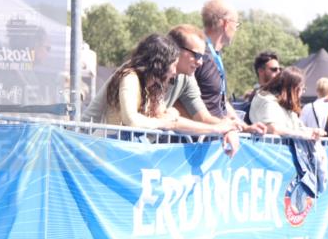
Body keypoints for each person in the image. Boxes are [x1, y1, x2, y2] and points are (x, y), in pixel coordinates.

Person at [85, 30, 242, 154]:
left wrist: (220, 128)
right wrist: (164, 122)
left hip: (127, 152)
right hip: (108, 151)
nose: (174, 71)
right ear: (160, 65)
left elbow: (170, 120)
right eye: (172, 65)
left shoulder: (154, 87)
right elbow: (132, 120)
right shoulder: (130, 77)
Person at [196, 0, 242, 120]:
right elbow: (184, 99)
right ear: (226, 24)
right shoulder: (198, 54)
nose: (236, 30)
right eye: (236, 25)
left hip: (215, 133)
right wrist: (218, 126)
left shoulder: (214, 54)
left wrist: (244, 126)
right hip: (199, 136)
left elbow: (220, 100)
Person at [249, 67, 324, 140]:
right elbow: (273, 129)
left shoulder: (284, 104)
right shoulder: (268, 100)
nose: (302, 93)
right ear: (294, 89)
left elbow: (297, 128)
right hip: (267, 150)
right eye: (303, 89)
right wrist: (305, 135)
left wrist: (312, 131)